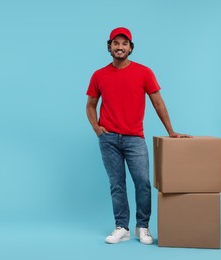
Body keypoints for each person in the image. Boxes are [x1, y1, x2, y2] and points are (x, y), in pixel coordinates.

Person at [86, 27, 191, 245]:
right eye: (116, 43)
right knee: (117, 184)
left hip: (135, 138)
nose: (120, 47)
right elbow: (90, 105)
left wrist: (170, 131)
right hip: (109, 139)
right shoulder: (99, 75)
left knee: (142, 182)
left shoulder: (144, 72)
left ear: (131, 48)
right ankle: (121, 227)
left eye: (124, 43)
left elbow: (158, 102)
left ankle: (142, 227)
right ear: (109, 47)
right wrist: (97, 128)